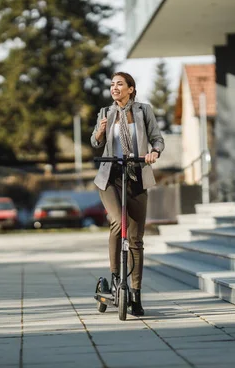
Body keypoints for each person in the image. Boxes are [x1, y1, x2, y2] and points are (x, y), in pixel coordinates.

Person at [91, 72, 164, 316]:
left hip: (136, 177)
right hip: (110, 178)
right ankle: (115, 279)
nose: (114, 88)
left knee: (136, 239)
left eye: (119, 84)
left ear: (131, 89)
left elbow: (157, 139)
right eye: (112, 84)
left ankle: (135, 293)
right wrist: (100, 132)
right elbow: (95, 142)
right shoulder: (105, 112)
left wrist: (154, 152)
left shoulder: (144, 111)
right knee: (117, 222)